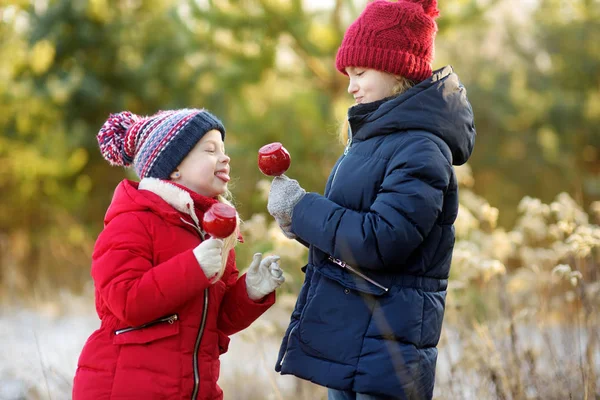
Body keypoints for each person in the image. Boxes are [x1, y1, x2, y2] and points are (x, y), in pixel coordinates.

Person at [267, 0, 476, 399]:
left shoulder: (422, 149)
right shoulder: (374, 141)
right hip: (354, 342)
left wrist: (303, 208)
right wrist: (299, 226)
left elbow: (380, 240)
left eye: (360, 72)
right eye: (348, 74)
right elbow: (351, 231)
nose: (351, 85)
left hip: (387, 352)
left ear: (397, 70)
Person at [72, 108, 285, 400]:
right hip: (126, 388)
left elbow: (216, 320)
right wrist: (194, 267)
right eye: (210, 150)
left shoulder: (214, 229)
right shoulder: (133, 220)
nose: (225, 157)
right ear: (173, 167)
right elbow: (125, 301)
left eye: (223, 149)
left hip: (194, 389)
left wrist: (249, 292)